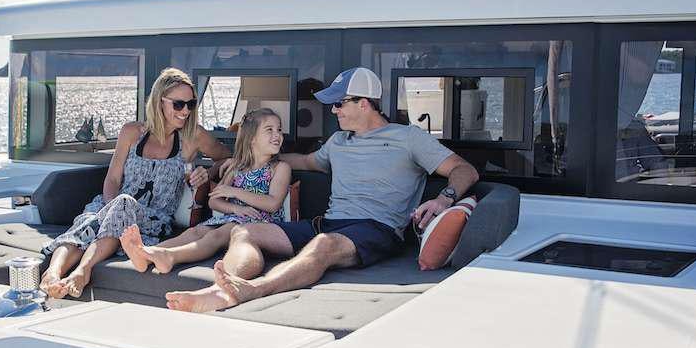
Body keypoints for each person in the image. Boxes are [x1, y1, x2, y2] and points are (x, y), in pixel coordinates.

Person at [166, 66, 479, 313]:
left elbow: (466, 169)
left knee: (323, 245)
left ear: (365, 104)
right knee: (243, 231)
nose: (334, 111)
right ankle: (223, 289)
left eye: (340, 104)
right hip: (327, 224)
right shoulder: (339, 142)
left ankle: (254, 290)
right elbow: (303, 159)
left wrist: (444, 199)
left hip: (377, 229)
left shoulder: (409, 139)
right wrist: (242, 160)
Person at [39, 68, 230, 298]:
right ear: (160, 102)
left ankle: (83, 270)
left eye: (191, 104)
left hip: (154, 220)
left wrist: (208, 173)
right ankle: (52, 272)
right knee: (92, 219)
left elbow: (226, 157)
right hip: (113, 204)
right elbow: (113, 178)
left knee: (122, 206)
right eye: (178, 104)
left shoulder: (192, 137)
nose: (185, 111)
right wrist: (110, 209)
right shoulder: (131, 132)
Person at [120, 108, 292, 274]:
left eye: (279, 130)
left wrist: (234, 192)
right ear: (252, 138)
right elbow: (214, 201)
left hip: (259, 223)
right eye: (269, 130)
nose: (277, 135)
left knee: (216, 236)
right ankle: (146, 253)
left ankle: (170, 257)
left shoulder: (279, 168)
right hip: (232, 217)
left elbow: (273, 203)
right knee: (195, 232)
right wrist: (236, 208)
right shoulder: (237, 167)